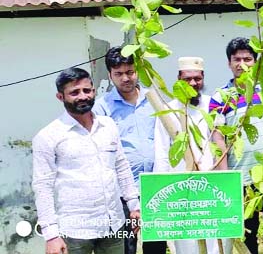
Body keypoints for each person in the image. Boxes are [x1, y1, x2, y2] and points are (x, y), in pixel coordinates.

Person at [32, 68, 140, 254]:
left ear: (94, 92)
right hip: (74, 231)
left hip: (114, 225)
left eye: (87, 90)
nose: (82, 96)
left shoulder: (108, 126)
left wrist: (134, 205)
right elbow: (43, 187)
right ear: (60, 97)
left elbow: (121, 167)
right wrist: (51, 235)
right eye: (74, 92)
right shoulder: (48, 136)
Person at [209, 37, 263, 254]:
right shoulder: (221, 97)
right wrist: (225, 176)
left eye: (247, 58)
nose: (242, 63)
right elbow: (217, 138)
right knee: (248, 231)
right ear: (229, 63)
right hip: (240, 176)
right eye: (237, 59)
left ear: (255, 61)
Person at [93, 47, 166, 254]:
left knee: (156, 245)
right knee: (126, 246)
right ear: (110, 75)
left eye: (130, 72)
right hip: (122, 191)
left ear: (137, 72)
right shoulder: (102, 108)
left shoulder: (154, 101)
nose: (125, 78)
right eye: (118, 74)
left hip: (155, 186)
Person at [153, 56, 222, 254]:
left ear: (203, 78)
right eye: (187, 79)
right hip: (179, 187)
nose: (192, 83)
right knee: (185, 242)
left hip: (210, 185)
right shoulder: (168, 110)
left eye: (197, 79)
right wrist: (164, 189)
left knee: (212, 239)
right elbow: (161, 154)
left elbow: (220, 143)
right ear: (178, 79)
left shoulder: (212, 106)